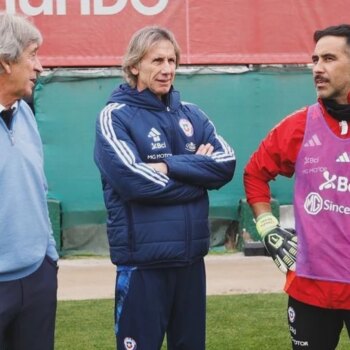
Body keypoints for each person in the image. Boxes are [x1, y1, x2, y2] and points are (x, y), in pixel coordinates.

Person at [94, 26, 236, 350]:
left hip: (190, 264)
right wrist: (197, 178)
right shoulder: (114, 117)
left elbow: (225, 164)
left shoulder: (192, 114)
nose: (167, 69)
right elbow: (134, 182)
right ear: (134, 66)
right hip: (144, 266)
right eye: (157, 60)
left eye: (172, 60)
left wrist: (170, 165)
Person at [244, 24, 350, 349]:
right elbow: (254, 174)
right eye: (315, 59)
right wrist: (267, 227)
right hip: (310, 289)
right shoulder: (299, 127)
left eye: (329, 58)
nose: (318, 68)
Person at [0, 13, 59, 350]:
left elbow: (38, 187)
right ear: (6, 61)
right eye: (32, 54)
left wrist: (49, 257)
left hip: (38, 276)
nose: (39, 67)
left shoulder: (25, 112)